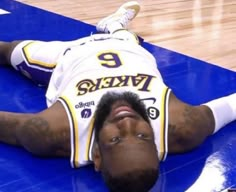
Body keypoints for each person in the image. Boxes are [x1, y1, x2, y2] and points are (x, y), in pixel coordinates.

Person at [0, 1, 235, 192]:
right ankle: (113, 24)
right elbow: (229, 107)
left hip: (68, 57)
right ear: (156, 143)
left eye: (115, 140)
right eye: (142, 135)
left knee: (8, 51)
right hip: (128, 49)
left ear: (97, 156)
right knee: (127, 38)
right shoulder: (183, 126)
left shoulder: (52, 132)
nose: (127, 123)